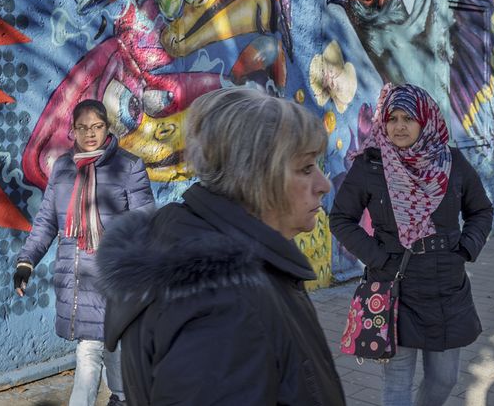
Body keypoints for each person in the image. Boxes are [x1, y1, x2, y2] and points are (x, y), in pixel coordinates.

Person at [97, 87, 346, 405]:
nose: (323, 185)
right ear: (257, 177)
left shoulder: (218, 267)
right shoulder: (225, 305)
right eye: (306, 168)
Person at [330, 83, 493, 406]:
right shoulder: (370, 165)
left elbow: (481, 210)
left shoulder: (452, 162)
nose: (399, 126)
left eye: (408, 118)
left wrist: (464, 249)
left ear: (425, 120)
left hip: (448, 285)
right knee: (397, 385)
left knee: (444, 378)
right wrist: (377, 258)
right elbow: (340, 218)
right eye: (392, 118)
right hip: (394, 284)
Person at [14, 99, 154, 406]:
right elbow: (46, 222)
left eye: (97, 126)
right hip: (77, 278)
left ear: (107, 127)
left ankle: (122, 397)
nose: (90, 133)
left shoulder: (128, 167)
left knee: (110, 348)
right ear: (73, 130)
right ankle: (121, 398)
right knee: (91, 350)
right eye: (83, 127)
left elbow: (146, 223)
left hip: (115, 277)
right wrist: (26, 261)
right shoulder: (63, 169)